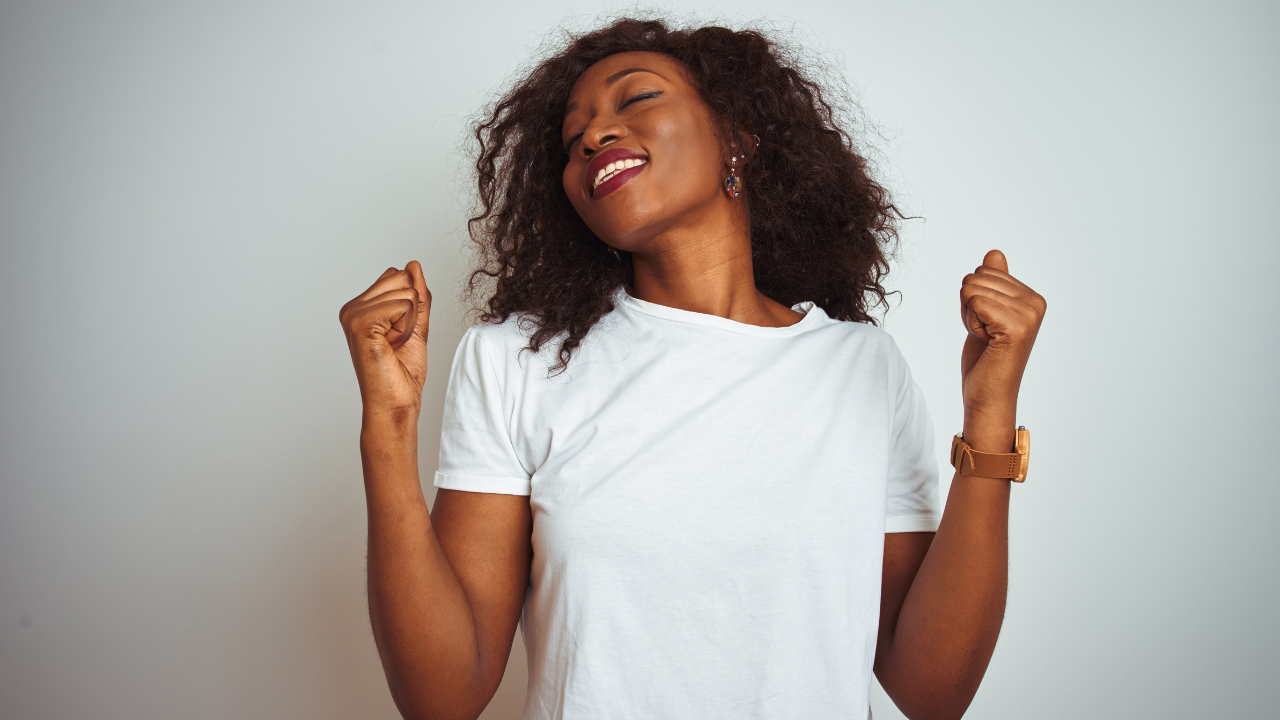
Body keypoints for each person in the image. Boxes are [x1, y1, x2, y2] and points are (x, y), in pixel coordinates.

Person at [338, 18, 1045, 720]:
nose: (593, 135)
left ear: (737, 136)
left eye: (637, 98)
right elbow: (443, 698)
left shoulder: (864, 368)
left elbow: (933, 693)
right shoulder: (515, 360)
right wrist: (388, 429)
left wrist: (990, 414)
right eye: (572, 138)